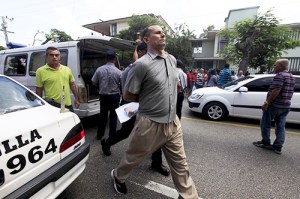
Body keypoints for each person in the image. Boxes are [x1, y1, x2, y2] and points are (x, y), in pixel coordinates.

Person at [110, 25, 199, 198]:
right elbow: (128, 94)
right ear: (146, 40)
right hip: (150, 123)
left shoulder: (172, 59)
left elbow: (173, 84)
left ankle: (189, 196)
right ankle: (118, 176)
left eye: (163, 32)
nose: (163, 34)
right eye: (158, 32)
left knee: (181, 164)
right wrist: (149, 101)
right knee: (133, 157)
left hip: (173, 123)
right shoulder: (141, 65)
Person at [101, 42, 170, 176]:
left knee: (156, 133)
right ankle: (107, 143)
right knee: (125, 132)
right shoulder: (133, 68)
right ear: (142, 52)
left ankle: (156, 163)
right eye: (151, 52)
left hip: (147, 106)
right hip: (130, 105)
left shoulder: (149, 67)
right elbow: (128, 92)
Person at [253, 59, 295, 154]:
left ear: (280, 66)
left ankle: (266, 142)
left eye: (275, 65)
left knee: (265, 123)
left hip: (275, 105)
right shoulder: (291, 76)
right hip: (285, 105)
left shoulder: (280, 76)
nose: (274, 67)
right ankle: (278, 146)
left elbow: (276, 90)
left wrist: (267, 103)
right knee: (280, 126)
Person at [36, 46, 80, 112]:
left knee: (69, 121)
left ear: (59, 57)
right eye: (51, 55)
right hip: (52, 105)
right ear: (47, 56)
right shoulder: (40, 71)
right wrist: (39, 104)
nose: (54, 57)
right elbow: (39, 89)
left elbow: (72, 84)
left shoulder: (67, 69)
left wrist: (76, 98)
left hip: (67, 105)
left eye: (56, 55)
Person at [91, 50, 121, 140]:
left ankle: (100, 135)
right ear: (114, 59)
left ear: (106, 59)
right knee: (113, 116)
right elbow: (122, 84)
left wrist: (100, 86)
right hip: (115, 96)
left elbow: (93, 82)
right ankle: (112, 136)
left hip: (103, 96)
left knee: (103, 116)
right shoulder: (118, 72)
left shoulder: (99, 69)